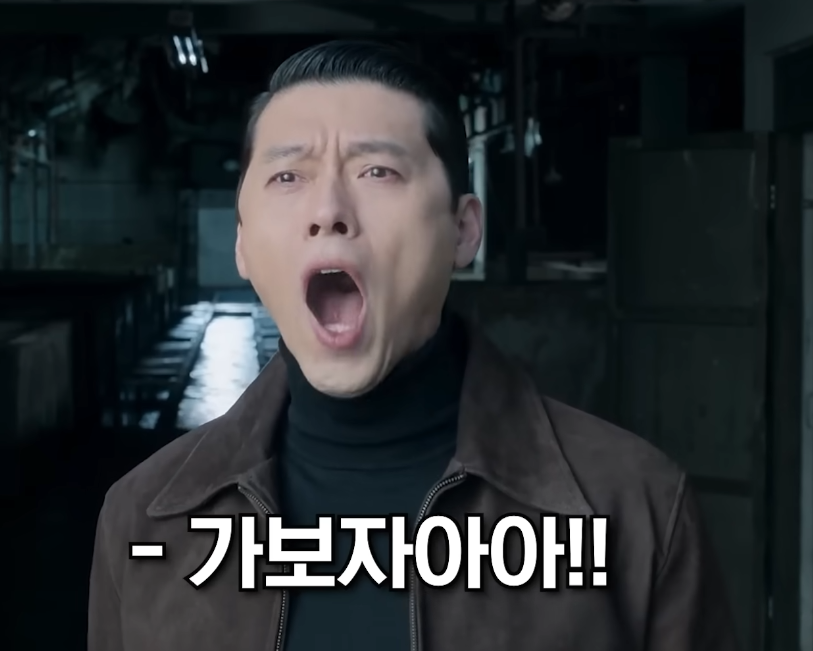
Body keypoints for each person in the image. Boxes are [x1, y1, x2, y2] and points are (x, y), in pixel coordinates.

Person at [88, 40, 739, 651]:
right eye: (287, 177)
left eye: (377, 170)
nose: (328, 210)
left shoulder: (636, 507)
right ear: (242, 244)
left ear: (463, 230)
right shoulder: (143, 517)